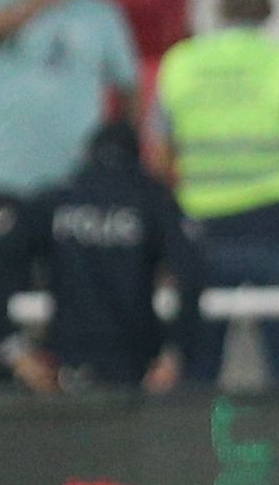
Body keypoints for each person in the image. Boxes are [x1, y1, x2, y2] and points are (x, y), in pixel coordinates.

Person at [150, 0, 279, 390]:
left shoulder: (181, 63)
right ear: (269, 11)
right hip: (278, 223)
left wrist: (184, 196)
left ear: (218, 10)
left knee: (198, 365)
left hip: (204, 226)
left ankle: (194, 452)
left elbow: (159, 155)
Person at [0, 0, 140, 384]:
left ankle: (64, 393)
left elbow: (127, 86)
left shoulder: (101, 14)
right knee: (2, 295)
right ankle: (2, 390)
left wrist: (126, 150)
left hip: (71, 181)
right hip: (8, 177)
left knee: (71, 294)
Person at [23, 118, 204, 393]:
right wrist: (175, 355)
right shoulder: (152, 198)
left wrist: (15, 351)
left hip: (66, 362)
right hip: (135, 361)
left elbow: (2, 261)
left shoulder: (57, 198)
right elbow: (191, 272)